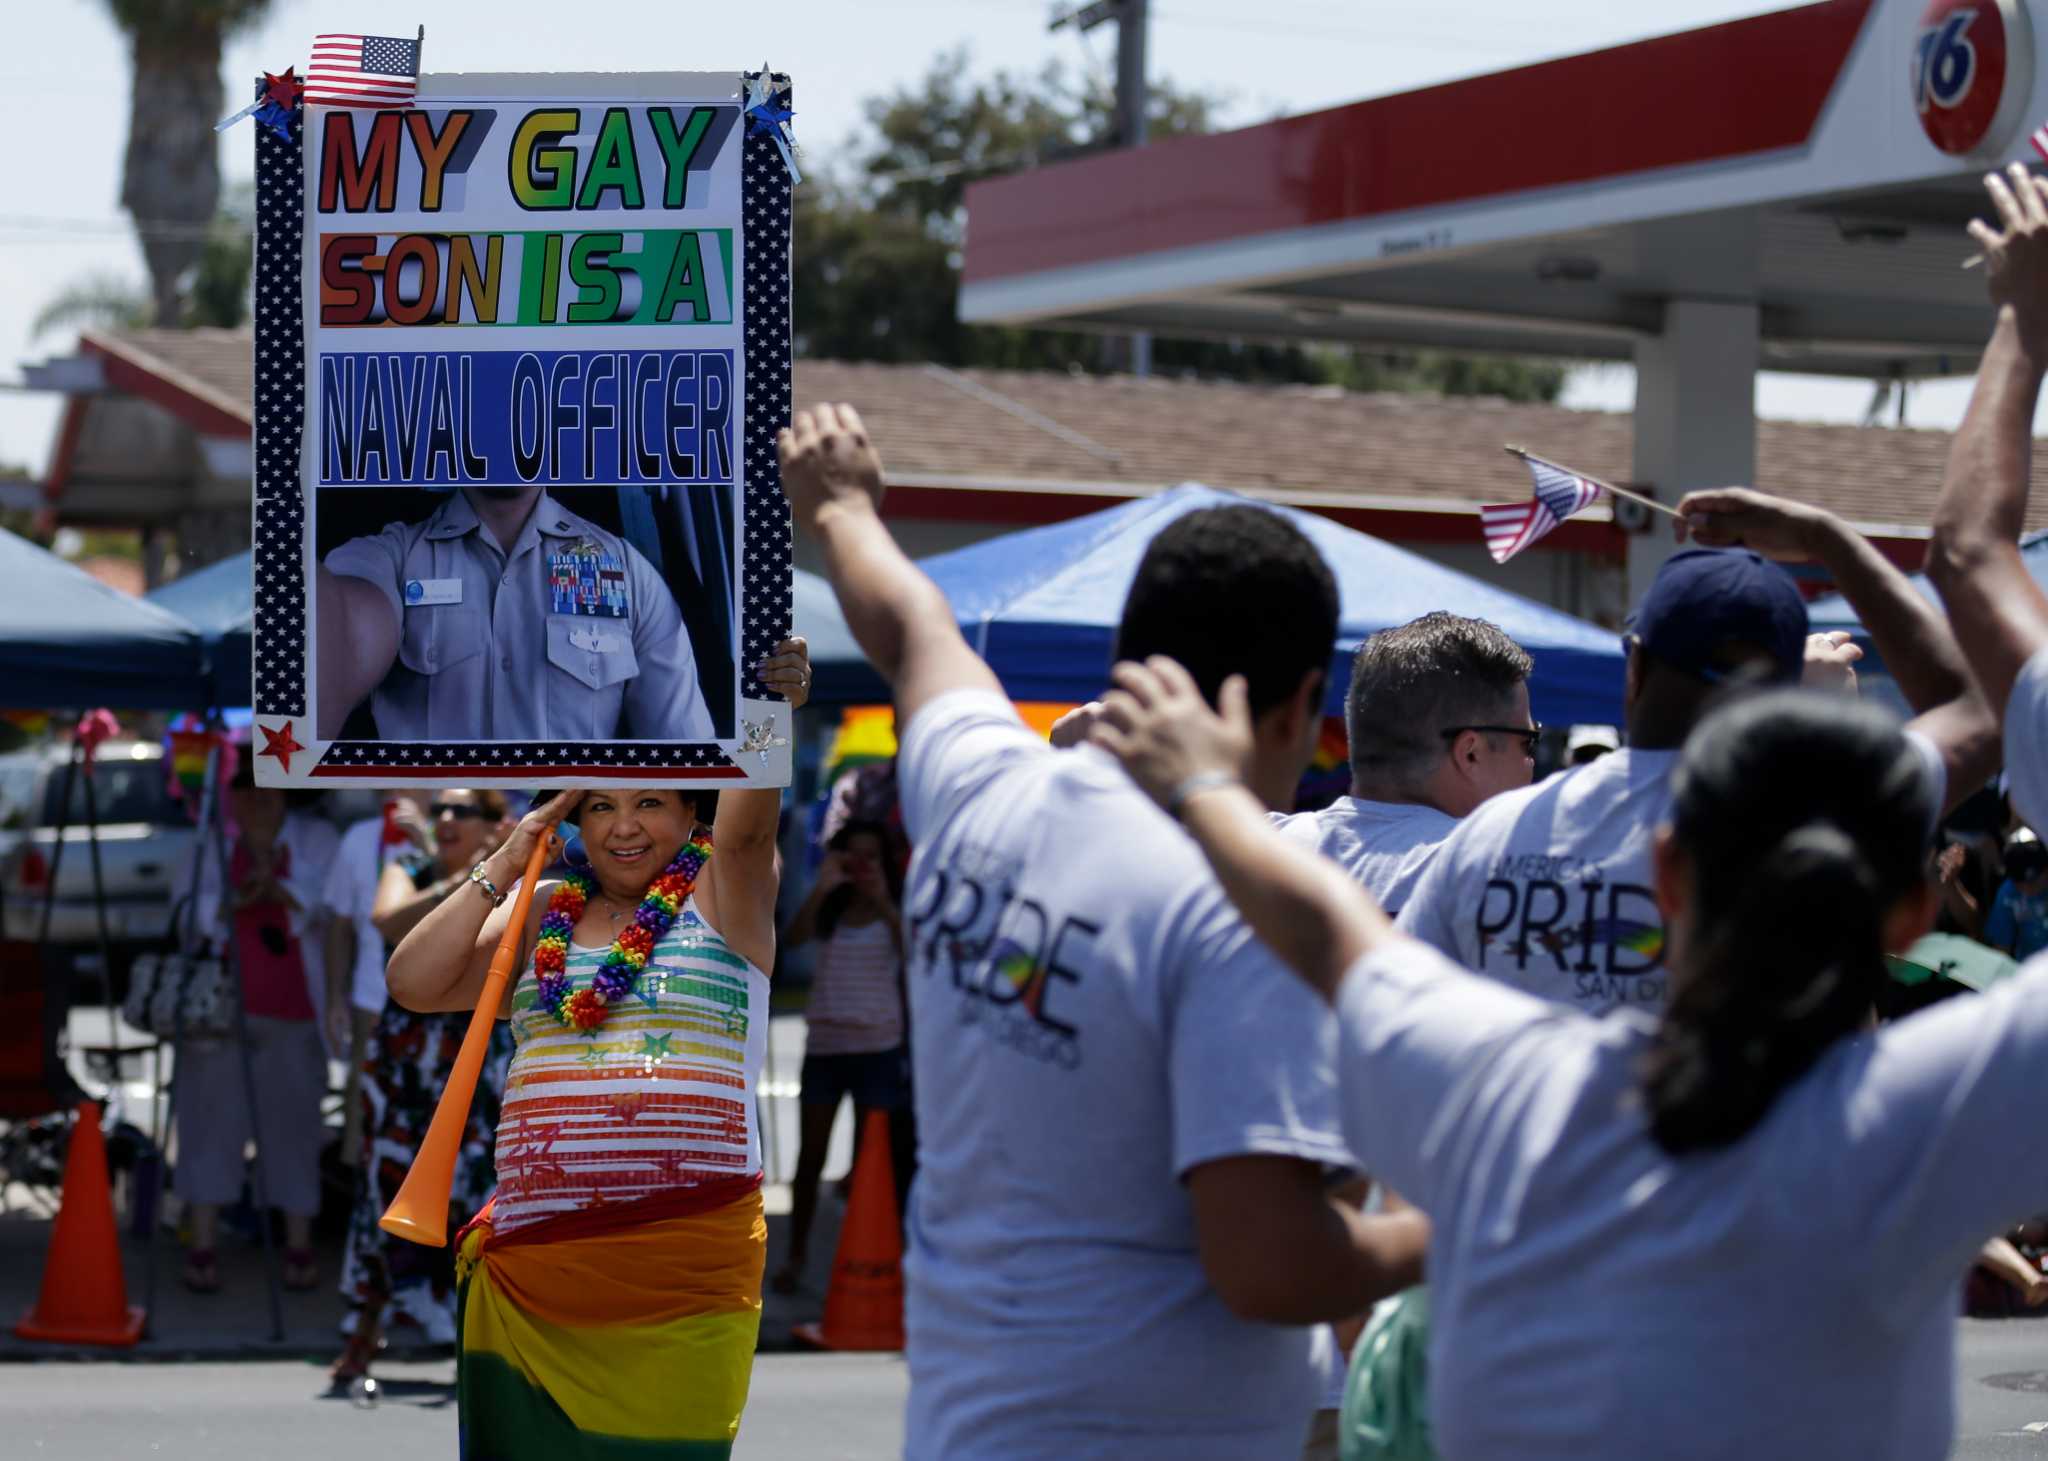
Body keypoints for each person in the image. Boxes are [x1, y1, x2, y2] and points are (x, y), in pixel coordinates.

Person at [1094, 658, 2048, 1461]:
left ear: (1665, 873)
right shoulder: (1914, 1128)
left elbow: (1335, 937)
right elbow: (1989, 681)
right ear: (1911, 916)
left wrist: (1206, 789)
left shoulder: (1519, 1084)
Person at [780, 403, 1428, 1460]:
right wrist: (1456, 1230)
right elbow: (1269, 1269)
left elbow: (911, 629)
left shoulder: (980, 788)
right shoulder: (1235, 908)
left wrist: (841, 504)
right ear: (1303, 703)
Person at [384, 639, 810, 1459]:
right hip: (535, 1273)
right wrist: (506, 859)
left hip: (684, 1269)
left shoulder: (728, 888)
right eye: (599, 804)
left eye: (650, 800)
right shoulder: (544, 903)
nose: (623, 825)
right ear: (573, 820)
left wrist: (767, 710)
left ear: (693, 813)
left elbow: (751, 828)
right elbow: (413, 980)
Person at [1395, 521, 1996, 1015]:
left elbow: (1391, 1023)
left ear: (1635, 669)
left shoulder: (1492, 834)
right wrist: (1831, 544)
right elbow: (1983, 708)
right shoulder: (1823, 818)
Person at [332, 788, 517, 1378]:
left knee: (478, 1199)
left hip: (478, 1058)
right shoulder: (407, 867)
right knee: (382, 1193)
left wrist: (488, 875)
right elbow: (389, 921)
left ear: (493, 824)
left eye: (461, 811)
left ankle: (484, 1349)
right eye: (439, 810)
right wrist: (472, 878)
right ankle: (363, 1334)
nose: (444, 820)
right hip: (406, 1063)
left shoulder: (518, 879)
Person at [316, 484, 713, 741]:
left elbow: (688, 759)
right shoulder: (389, 558)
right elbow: (340, 643)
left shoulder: (629, 574)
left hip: (580, 853)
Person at [178, 761, 340, 1294]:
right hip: (219, 1015)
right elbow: (185, 914)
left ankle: (297, 1243)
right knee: (208, 1127)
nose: (256, 801)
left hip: (294, 1013)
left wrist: (283, 888)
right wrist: (238, 898)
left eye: (267, 790)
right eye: (245, 791)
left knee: (293, 1131)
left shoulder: (316, 839)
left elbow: (332, 906)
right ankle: (201, 1243)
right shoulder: (210, 845)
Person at [1276, 611, 1534, 917]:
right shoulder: (1503, 876)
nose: (1530, 763)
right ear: (1470, 753)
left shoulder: (1250, 851)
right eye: (1528, 742)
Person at [770, 819, 909, 1295]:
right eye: (855, 856)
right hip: (826, 1049)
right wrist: (826, 886)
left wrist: (885, 900)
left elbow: (915, 953)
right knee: (810, 1163)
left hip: (878, 1050)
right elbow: (791, 941)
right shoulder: (830, 905)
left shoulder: (893, 906)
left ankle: (879, 1264)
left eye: (872, 856)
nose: (862, 866)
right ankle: (797, 1256)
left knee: (876, 1169)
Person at [322, 791, 431, 1168]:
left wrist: (426, 843)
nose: (400, 793)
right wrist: (335, 998)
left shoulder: (451, 830)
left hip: (434, 1005)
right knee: (364, 1109)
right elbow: (339, 924)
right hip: (371, 1000)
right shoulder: (358, 837)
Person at [1983, 828, 2048, 960]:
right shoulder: (2008, 894)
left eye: (2033, 881)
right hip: (2028, 970)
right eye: (2020, 882)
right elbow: (2001, 950)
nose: (2028, 889)